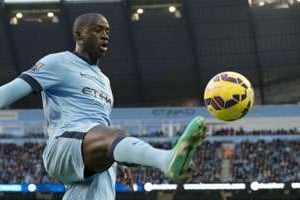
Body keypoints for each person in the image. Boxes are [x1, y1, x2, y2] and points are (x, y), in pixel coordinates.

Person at [0, 13, 206, 199]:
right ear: (79, 36)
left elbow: (100, 126)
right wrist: (112, 142)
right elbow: (8, 92)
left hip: (94, 155)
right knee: (116, 133)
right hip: (63, 146)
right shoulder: (58, 62)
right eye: (97, 30)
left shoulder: (104, 81)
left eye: (107, 30)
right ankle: (165, 159)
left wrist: (117, 157)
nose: (105, 35)